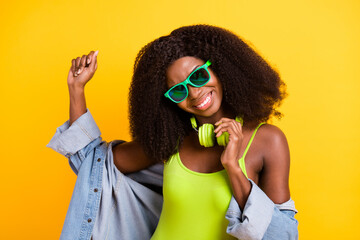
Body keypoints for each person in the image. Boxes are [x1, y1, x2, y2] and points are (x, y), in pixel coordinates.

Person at [47, 24, 298, 240]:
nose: (194, 93)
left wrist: (232, 167)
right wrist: (76, 89)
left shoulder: (267, 141)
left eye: (198, 76)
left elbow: (281, 234)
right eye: (178, 90)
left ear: (219, 68)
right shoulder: (172, 141)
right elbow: (92, 165)